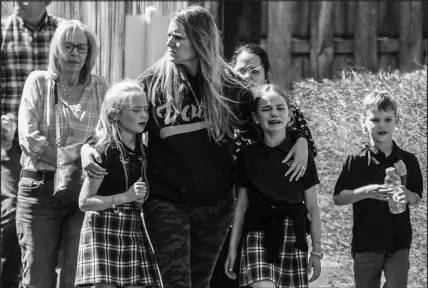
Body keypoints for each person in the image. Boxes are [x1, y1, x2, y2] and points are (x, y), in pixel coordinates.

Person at [81, 6, 310, 288]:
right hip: (166, 202)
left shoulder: (230, 87)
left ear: (200, 40)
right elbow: (112, 119)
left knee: (199, 283)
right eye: (168, 36)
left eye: (178, 38)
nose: (169, 43)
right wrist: (87, 149)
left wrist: (300, 139)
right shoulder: (153, 84)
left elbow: (274, 113)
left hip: (215, 206)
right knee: (176, 282)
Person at [211, 42, 318, 288]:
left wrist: (301, 140)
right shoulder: (224, 111)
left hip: (273, 216)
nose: (248, 77)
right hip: (226, 210)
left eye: (255, 71)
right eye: (241, 71)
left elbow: (306, 161)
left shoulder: (282, 107)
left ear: (266, 73)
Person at [17, 19, 108, 288]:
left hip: (83, 194)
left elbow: (107, 139)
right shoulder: (38, 82)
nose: (75, 53)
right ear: (57, 49)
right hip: (39, 191)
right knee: (37, 278)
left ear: (89, 53)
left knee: (77, 278)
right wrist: (71, 159)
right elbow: (28, 138)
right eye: (68, 46)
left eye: (82, 47)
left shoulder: (101, 88)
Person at [75, 80, 162, 288]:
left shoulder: (143, 150)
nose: (144, 115)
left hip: (133, 226)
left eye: (146, 110)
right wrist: (125, 197)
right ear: (115, 114)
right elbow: (85, 202)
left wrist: (140, 199)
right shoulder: (102, 151)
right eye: (135, 110)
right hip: (104, 228)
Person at [333, 90, 422, 288]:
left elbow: (417, 199)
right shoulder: (355, 161)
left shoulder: (408, 160)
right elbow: (338, 198)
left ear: (396, 121)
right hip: (366, 243)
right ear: (363, 122)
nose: (382, 125)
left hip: (398, 242)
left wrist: (407, 195)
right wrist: (366, 192)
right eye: (375, 119)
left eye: (387, 119)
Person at [1, 2, 62, 287]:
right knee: (12, 211)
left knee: (47, 215)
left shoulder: (64, 34)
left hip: (54, 145)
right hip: (12, 143)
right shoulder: (3, 32)